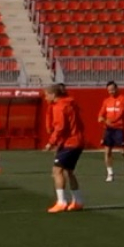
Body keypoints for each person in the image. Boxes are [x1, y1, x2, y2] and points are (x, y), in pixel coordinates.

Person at [43, 84, 86, 213]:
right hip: (77, 141)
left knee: (57, 171)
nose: (45, 98)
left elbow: (60, 127)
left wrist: (51, 142)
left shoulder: (60, 107)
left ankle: (61, 202)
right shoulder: (70, 103)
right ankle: (78, 201)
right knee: (68, 171)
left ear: (53, 95)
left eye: (46, 95)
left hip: (70, 143)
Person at [98, 80, 124, 182]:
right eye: (109, 90)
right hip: (108, 129)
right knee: (107, 151)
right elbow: (101, 113)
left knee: (122, 151)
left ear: (117, 89)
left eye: (112, 89)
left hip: (119, 128)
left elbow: (120, 114)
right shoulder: (106, 101)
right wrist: (100, 117)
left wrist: (108, 121)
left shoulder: (123, 99)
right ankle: (110, 173)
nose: (111, 92)